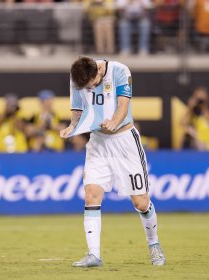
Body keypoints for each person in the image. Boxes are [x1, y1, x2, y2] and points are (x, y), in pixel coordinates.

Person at [60, 56, 166, 267]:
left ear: (98, 70)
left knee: (141, 202)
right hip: (98, 142)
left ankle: (154, 244)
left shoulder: (119, 71)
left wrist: (113, 122)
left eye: (93, 83)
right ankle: (94, 254)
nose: (91, 88)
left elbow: (123, 107)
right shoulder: (76, 78)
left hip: (124, 141)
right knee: (91, 195)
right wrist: (72, 127)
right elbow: (77, 110)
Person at [180, 86, 209, 151]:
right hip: (195, 145)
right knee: (187, 133)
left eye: (201, 99)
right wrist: (190, 108)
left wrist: (204, 108)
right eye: (197, 98)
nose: (199, 101)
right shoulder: (192, 112)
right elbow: (183, 123)